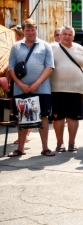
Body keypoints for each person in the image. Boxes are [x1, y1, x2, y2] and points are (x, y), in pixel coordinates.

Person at [7, 18, 54, 157]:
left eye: (33, 29)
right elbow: (10, 68)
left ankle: (45, 148)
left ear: (36, 30)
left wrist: (37, 83)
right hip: (21, 89)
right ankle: (20, 148)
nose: (31, 32)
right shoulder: (16, 47)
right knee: (23, 118)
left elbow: (49, 66)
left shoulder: (45, 46)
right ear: (23, 31)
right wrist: (20, 84)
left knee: (43, 117)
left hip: (42, 88)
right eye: (28, 30)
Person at [50, 26, 83, 152]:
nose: (67, 37)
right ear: (59, 35)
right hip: (56, 88)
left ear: (73, 36)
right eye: (64, 34)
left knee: (73, 117)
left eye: (69, 34)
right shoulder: (51, 48)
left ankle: (72, 143)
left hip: (76, 89)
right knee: (58, 117)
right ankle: (59, 143)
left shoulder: (80, 48)